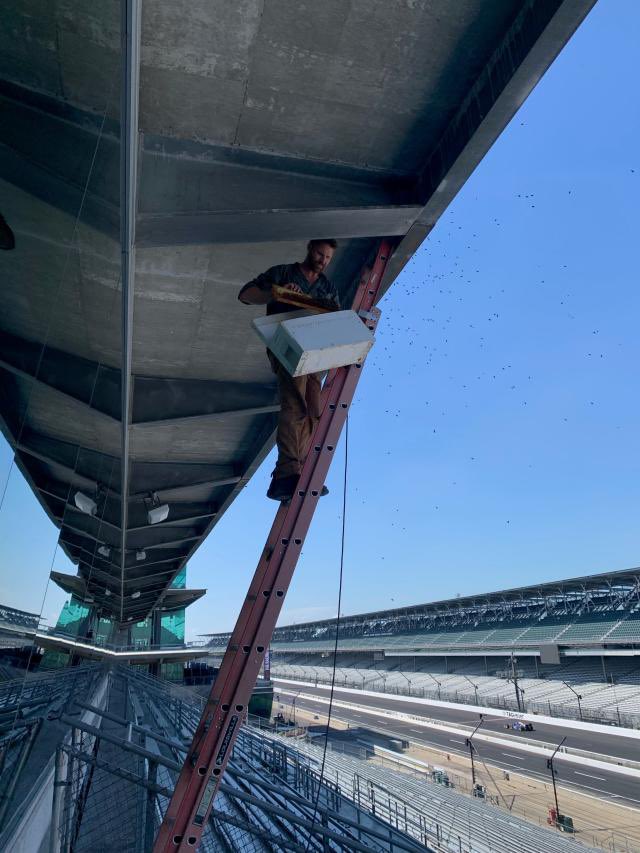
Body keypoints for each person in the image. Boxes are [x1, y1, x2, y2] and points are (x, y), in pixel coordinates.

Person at [238, 239, 340, 501]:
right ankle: (287, 473)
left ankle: (299, 471)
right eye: (320, 253)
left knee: (314, 412)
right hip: (287, 346)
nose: (323, 260)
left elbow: (335, 318)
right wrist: (277, 292)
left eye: (328, 257)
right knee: (294, 405)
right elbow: (246, 295)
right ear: (309, 249)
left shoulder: (327, 287)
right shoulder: (283, 272)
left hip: (314, 353)